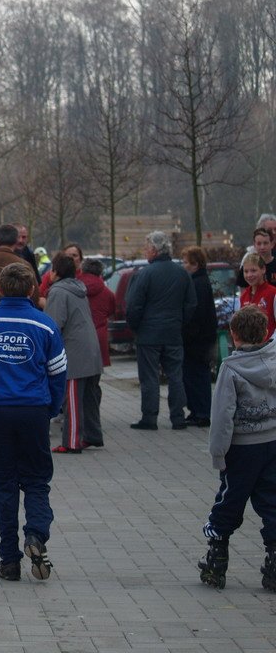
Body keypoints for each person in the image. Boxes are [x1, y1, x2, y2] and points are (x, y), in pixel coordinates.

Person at [0, 262, 65, 581]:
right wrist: (50, 409)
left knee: (4, 486)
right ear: (33, 289)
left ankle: (9, 560)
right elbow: (58, 376)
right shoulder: (46, 326)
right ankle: (35, 535)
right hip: (34, 410)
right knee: (36, 480)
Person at [198, 305, 276, 592]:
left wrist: (218, 453)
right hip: (272, 442)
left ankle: (217, 554)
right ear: (265, 331)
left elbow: (222, 416)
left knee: (230, 498)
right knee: (271, 499)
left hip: (242, 447)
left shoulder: (230, 368)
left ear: (233, 335)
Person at [126, 231, 196, 430]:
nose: (145, 251)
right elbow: (191, 304)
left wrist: (136, 327)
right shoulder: (182, 273)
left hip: (148, 335)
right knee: (176, 375)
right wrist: (180, 322)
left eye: (147, 248)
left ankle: (149, 417)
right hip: (173, 332)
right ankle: (178, 417)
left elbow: (133, 306)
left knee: (149, 377)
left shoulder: (144, 274)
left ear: (154, 251)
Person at [45, 253, 103, 454]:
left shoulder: (58, 292)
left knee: (72, 398)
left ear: (56, 271)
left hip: (74, 351)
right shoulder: (79, 289)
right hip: (91, 348)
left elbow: (54, 324)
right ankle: (92, 435)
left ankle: (71, 441)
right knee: (89, 397)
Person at [181, 246, 218, 427]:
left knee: (197, 376)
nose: (184, 265)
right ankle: (196, 410)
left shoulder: (197, 284)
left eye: (186, 262)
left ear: (195, 264)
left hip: (197, 341)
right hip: (201, 338)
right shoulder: (200, 281)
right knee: (195, 375)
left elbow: (196, 313)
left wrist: (187, 334)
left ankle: (201, 412)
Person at [82, 258, 115, 448]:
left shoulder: (78, 289)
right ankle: (93, 423)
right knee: (94, 384)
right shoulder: (107, 292)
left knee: (79, 386)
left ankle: (80, 425)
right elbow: (111, 310)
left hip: (80, 339)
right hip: (99, 338)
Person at [240, 252, 276, 340]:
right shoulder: (244, 296)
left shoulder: (273, 293)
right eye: (246, 271)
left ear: (263, 269)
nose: (249, 275)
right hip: (250, 349)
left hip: (270, 349)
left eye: (253, 270)